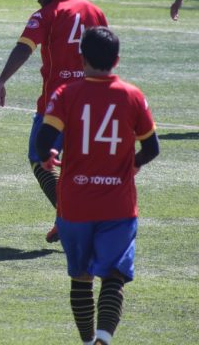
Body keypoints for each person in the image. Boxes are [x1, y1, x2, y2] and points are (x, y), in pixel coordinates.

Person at [36, 26, 159, 345]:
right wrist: (134, 163)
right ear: (116, 60)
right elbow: (152, 148)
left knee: (81, 277)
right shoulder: (133, 95)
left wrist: (50, 154)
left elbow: (44, 142)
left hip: (75, 204)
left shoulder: (66, 94)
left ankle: (88, 340)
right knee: (114, 277)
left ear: (81, 58)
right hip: (117, 205)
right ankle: (103, 337)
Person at [0, 0, 108, 243]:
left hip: (57, 105)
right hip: (92, 102)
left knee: (38, 157)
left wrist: (2, 79)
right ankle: (67, 219)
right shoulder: (94, 10)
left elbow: (24, 48)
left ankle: (71, 216)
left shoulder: (47, 14)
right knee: (73, 165)